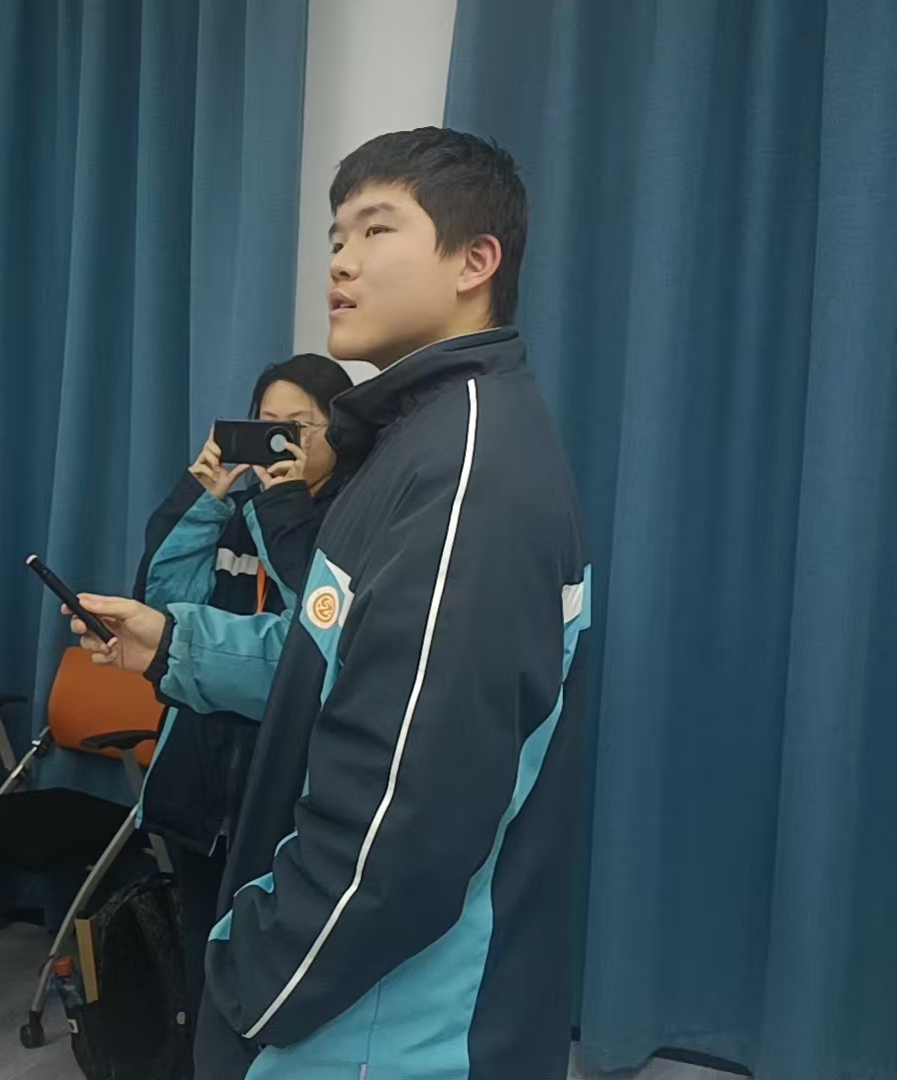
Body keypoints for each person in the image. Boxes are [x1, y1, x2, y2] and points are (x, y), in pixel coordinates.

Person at [70, 128, 592, 1079]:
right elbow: (338, 661)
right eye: (336, 236)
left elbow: (407, 821)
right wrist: (175, 644)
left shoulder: (465, 473)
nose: (341, 262)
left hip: (383, 1022)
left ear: (476, 261)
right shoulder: (412, 442)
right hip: (350, 991)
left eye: (376, 230)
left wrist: (252, 979)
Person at [126, 353, 354, 1029]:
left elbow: (318, 641)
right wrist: (202, 497)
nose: (277, 441)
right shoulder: (232, 512)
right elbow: (161, 606)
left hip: (289, 797)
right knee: (204, 969)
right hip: (200, 787)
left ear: (338, 432)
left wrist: (284, 506)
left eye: (297, 427)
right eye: (265, 424)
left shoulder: (352, 520)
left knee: (278, 980)